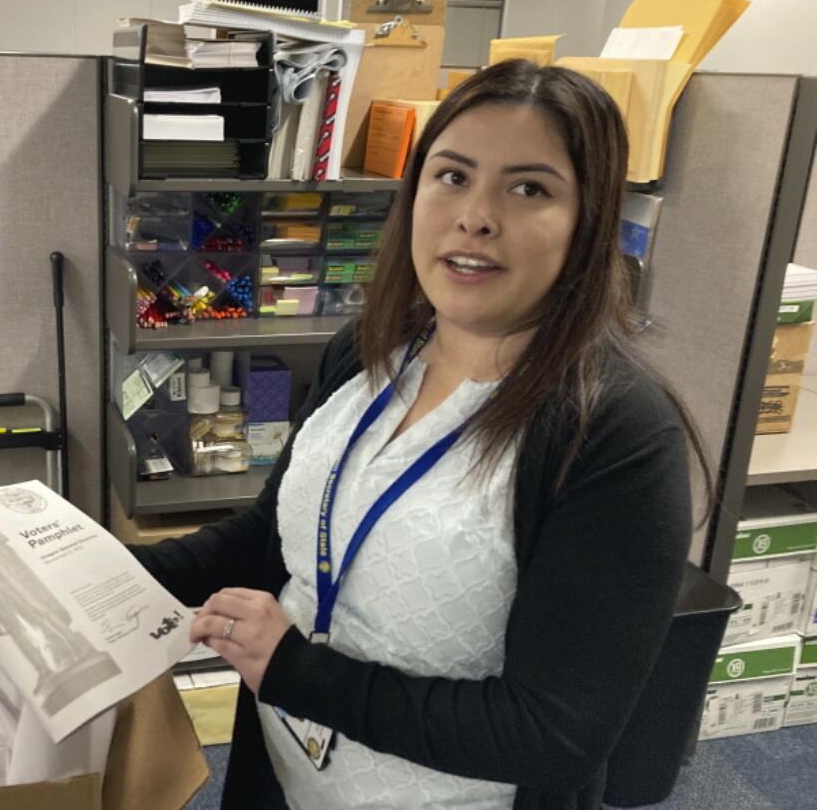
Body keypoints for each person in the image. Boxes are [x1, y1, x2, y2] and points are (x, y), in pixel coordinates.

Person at [129, 58, 712, 810]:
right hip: (284, 768)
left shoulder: (613, 435)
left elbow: (557, 735)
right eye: (452, 175)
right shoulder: (366, 351)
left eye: (529, 187)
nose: (475, 214)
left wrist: (300, 673)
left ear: (589, 221)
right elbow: (272, 538)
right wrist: (102, 577)